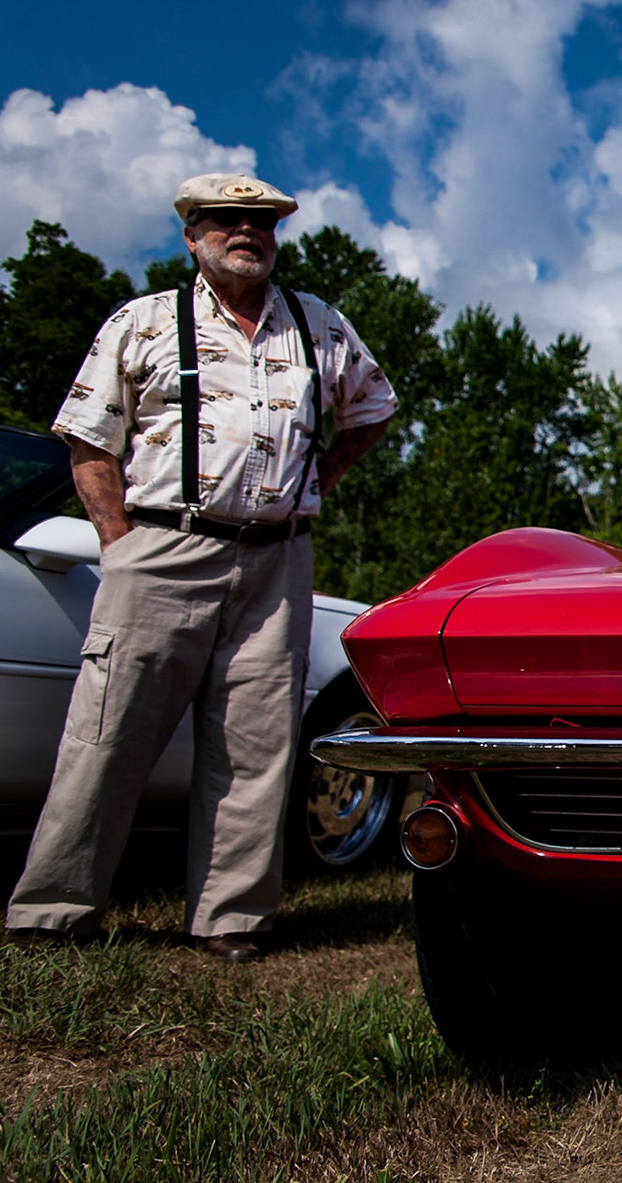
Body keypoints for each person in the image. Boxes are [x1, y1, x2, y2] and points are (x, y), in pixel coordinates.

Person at [5, 172, 397, 962]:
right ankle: (52, 911)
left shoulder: (317, 326)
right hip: (162, 547)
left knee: (256, 749)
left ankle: (231, 922)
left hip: (278, 560)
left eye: (260, 223)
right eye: (224, 221)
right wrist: (120, 546)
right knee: (108, 734)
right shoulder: (144, 322)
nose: (244, 233)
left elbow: (374, 408)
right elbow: (89, 441)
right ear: (192, 236)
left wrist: (314, 484)